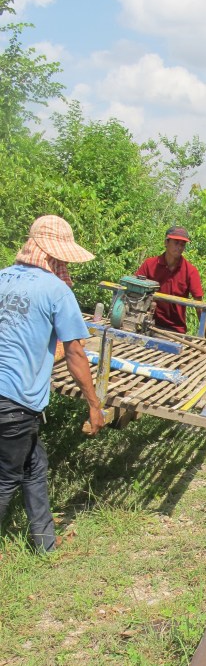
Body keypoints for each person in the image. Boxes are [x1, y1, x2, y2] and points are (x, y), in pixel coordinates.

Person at [0, 215, 105, 552]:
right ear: (54, 256)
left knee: (34, 464)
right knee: (6, 479)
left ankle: (44, 544)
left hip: (14, 405)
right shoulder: (56, 290)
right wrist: (94, 405)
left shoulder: (2, 278)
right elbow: (75, 353)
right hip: (14, 403)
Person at [136, 226, 206, 337]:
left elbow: (199, 307)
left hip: (175, 330)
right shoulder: (150, 264)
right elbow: (134, 289)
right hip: (149, 324)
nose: (179, 247)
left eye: (182, 244)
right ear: (166, 242)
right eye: (176, 243)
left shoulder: (190, 271)